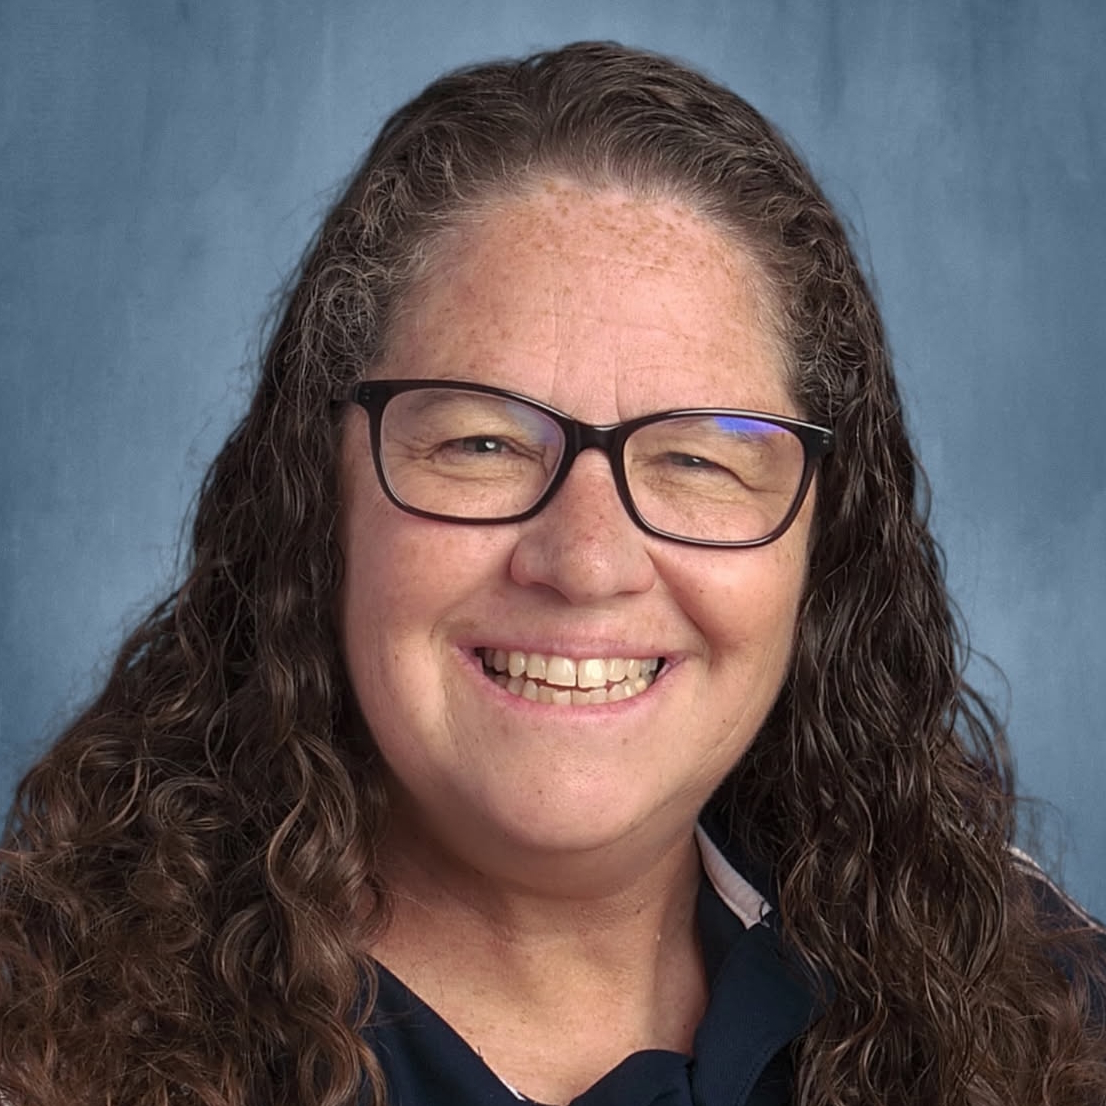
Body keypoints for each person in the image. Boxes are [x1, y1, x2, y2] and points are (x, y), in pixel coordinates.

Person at [1, 40, 1103, 1106]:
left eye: (697, 459)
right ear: (313, 498)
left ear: (824, 537)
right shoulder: (42, 1024)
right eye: (479, 444)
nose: (584, 560)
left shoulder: (1031, 999)